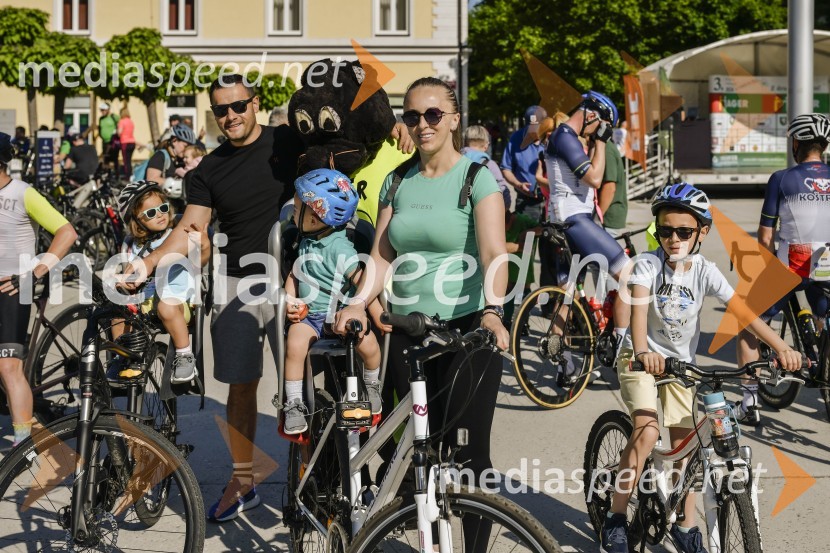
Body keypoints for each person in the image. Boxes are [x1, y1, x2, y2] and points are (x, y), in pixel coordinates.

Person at [122, 73, 304, 522]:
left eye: (239, 105)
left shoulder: (288, 141)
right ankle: (243, 480)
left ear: (255, 103)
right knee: (241, 385)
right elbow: (190, 227)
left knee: (302, 387)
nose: (231, 116)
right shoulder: (209, 169)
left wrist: (393, 125)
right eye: (222, 109)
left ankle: (311, 480)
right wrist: (148, 263)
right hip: (236, 281)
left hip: (295, 279)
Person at [601, 183, 802, 553]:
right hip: (641, 359)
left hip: (681, 367)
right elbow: (639, 310)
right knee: (647, 432)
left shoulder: (705, 272)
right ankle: (615, 516)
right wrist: (643, 351)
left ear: (702, 232)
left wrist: (782, 347)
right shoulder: (648, 265)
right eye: (665, 230)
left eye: (684, 231)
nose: (673, 239)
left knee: (688, 444)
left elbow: (743, 312)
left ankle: (685, 524)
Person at [334, 77, 509, 499]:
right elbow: (381, 256)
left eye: (433, 114)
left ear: (454, 120)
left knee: (469, 458)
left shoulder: (476, 178)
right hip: (407, 331)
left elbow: (494, 254)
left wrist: (493, 311)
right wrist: (358, 303)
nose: (422, 125)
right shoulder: (397, 180)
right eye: (412, 116)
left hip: (467, 330)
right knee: (417, 450)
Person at [735, 113, 830, 426]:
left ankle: (749, 404)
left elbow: (765, 237)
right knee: (823, 314)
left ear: (796, 143)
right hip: (828, 265)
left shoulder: (781, 178)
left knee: (748, 324)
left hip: (794, 265)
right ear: (824, 145)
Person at [282, 169, 383, 434]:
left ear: (315, 217)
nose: (292, 213)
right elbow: (295, 274)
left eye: (297, 209)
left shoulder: (339, 249)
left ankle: (372, 385)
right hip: (311, 317)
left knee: (370, 345)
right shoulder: (306, 241)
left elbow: (360, 280)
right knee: (294, 344)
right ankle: (294, 403)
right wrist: (290, 300)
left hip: (341, 316)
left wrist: (377, 313)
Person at [0, 132, 78, 446]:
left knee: (8, 366)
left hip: (12, 288)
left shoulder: (23, 193)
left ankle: (23, 443)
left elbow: (67, 232)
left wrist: (36, 271)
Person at [546, 91, 630, 353]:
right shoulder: (564, 136)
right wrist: (602, 143)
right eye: (600, 127)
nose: (597, 133)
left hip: (564, 220)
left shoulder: (566, 137)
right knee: (630, 276)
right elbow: (594, 179)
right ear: (592, 115)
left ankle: (565, 361)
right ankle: (620, 347)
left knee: (567, 295)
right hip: (575, 220)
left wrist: (595, 144)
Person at [109, 181, 208, 384]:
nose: (160, 215)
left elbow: (200, 262)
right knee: (115, 310)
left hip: (179, 303)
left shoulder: (177, 237)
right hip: (145, 303)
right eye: (151, 213)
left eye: (163, 208)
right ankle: (122, 355)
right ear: (137, 221)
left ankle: (184, 355)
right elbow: (130, 276)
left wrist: (204, 245)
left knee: (166, 306)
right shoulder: (132, 245)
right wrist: (123, 284)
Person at [501, 105, 547, 222]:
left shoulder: (552, 138)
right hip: (525, 201)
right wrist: (518, 184)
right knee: (527, 233)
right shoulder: (516, 139)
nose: (534, 132)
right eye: (531, 128)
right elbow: (506, 169)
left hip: (551, 200)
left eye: (538, 128)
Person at [504, 193, 541, 323]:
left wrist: (528, 233)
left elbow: (541, 228)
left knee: (523, 300)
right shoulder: (493, 224)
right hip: (507, 274)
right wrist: (517, 247)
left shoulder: (522, 221)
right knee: (508, 295)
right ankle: (507, 322)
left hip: (523, 274)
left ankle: (522, 323)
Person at [461, 124, 510, 207]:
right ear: (486, 145)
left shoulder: (454, 160)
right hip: (483, 210)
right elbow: (502, 189)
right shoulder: (490, 165)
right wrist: (505, 207)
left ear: (464, 142)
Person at [597, 134, 627, 237]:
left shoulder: (607, 149)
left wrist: (597, 217)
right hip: (606, 217)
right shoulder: (605, 147)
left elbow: (609, 187)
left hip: (607, 218)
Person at [98, 102, 120, 173]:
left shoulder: (113, 117)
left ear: (108, 109)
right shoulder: (101, 119)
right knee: (106, 158)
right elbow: (100, 128)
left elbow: (120, 123)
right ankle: (107, 173)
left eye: (103, 110)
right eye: (101, 110)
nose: (102, 111)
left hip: (113, 142)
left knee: (114, 158)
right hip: (105, 142)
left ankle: (116, 174)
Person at [118, 107, 136, 181]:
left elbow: (119, 132)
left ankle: (127, 177)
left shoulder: (122, 121)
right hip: (132, 142)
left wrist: (117, 132)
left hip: (125, 142)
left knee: (126, 161)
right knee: (129, 160)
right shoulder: (131, 121)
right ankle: (130, 175)